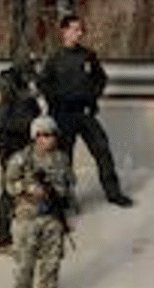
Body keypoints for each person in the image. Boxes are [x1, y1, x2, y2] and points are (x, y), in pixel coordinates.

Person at [38, 15, 133, 208]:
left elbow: (100, 78)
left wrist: (93, 96)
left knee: (102, 150)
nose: (79, 33)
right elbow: (43, 83)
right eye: (74, 29)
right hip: (63, 114)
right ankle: (64, 199)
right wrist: (55, 100)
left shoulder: (88, 55)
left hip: (85, 113)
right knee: (64, 158)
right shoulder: (54, 57)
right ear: (64, 31)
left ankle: (113, 193)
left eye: (81, 29)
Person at [5, 115, 75, 288]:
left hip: (52, 219)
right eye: (44, 135)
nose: (49, 139)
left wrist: (66, 211)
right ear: (35, 137)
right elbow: (9, 185)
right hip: (27, 218)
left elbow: (69, 186)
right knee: (23, 264)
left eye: (52, 134)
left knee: (51, 262)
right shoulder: (21, 158)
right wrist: (28, 188)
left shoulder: (61, 158)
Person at [0, 52, 43, 254]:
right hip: (9, 144)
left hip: (26, 143)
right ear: (20, 69)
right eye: (29, 72)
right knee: (9, 189)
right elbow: (0, 122)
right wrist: (25, 100)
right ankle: (2, 239)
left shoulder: (24, 85)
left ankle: (28, 235)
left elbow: (36, 112)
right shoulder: (1, 87)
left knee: (31, 188)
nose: (31, 77)